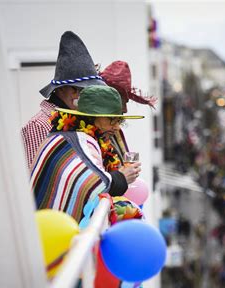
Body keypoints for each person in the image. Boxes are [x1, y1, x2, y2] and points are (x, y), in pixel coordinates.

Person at [30, 85, 143, 222]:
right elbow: (95, 184)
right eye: (112, 119)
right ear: (92, 118)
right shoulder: (80, 140)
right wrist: (122, 177)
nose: (117, 127)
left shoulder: (65, 137)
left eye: (119, 121)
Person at [21, 31, 105, 170]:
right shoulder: (39, 125)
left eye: (87, 90)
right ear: (60, 89)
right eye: (77, 89)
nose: (81, 95)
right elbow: (34, 180)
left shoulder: (81, 122)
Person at [98, 60, 157, 162]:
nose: (125, 109)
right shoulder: (91, 136)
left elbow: (126, 159)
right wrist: (123, 175)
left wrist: (132, 164)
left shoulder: (116, 132)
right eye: (123, 101)